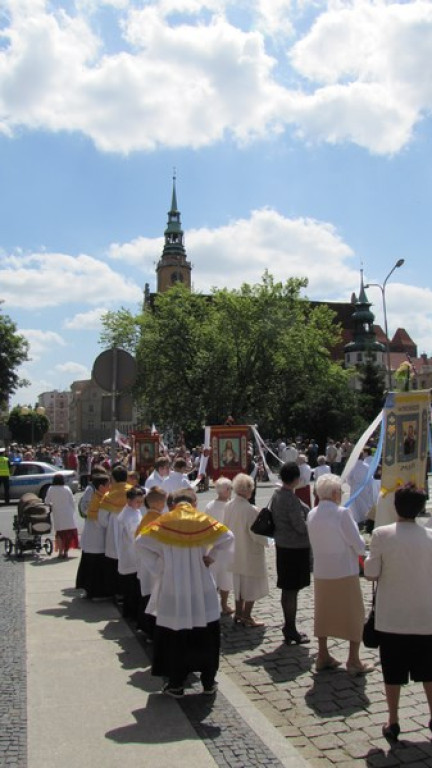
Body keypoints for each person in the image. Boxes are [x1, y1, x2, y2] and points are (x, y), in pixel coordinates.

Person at [136, 488, 234, 698]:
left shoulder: (163, 522)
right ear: (194, 503)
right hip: (201, 585)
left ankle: (176, 683)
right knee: (206, 633)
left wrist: (160, 565)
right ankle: (208, 683)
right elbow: (228, 537)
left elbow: (140, 543)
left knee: (176, 634)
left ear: (172, 504)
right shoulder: (203, 520)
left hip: (174, 586)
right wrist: (212, 555)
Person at [364, 484, 432, 743]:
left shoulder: (382, 534)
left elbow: (371, 573)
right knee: (429, 671)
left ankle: (393, 720)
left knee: (392, 672)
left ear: (395, 507)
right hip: (425, 615)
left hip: (392, 616)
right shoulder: (430, 537)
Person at [307, 473, 373, 675]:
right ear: (335, 493)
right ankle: (353, 660)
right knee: (353, 613)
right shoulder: (342, 513)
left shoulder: (312, 513)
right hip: (344, 570)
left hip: (322, 571)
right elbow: (359, 545)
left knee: (324, 613)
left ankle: (323, 655)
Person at [269, 462, 311, 645]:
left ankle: (289, 626)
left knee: (287, 589)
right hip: (294, 548)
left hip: (283, 546)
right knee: (292, 590)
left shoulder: (277, 494)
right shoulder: (290, 499)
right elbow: (300, 527)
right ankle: (291, 628)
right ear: (295, 479)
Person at [223, 473, 269, 627]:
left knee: (239, 586)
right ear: (248, 489)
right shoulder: (250, 510)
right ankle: (247, 616)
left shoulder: (229, 505)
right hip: (249, 553)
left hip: (235, 552)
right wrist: (267, 542)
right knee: (251, 586)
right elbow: (256, 533)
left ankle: (238, 613)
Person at [135, 486, 168, 639]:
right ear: (159, 503)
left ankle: (144, 626)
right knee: (153, 598)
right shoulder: (156, 520)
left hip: (145, 563)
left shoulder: (146, 517)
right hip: (153, 564)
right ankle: (151, 632)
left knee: (146, 595)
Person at [76, 471, 111, 598]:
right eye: (108, 484)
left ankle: (91, 591)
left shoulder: (98, 497)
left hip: (92, 538)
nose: (110, 487)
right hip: (97, 538)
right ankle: (95, 593)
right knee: (95, 570)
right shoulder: (99, 500)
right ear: (101, 487)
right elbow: (102, 521)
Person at [205, 476, 234, 615]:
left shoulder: (210, 505)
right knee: (225, 576)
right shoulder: (230, 505)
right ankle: (223, 604)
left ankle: (216, 604)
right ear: (226, 490)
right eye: (230, 489)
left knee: (216, 575)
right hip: (225, 545)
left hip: (213, 544)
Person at [117, 486, 144, 621]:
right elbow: (134, 534)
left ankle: (130, 611)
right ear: (129, 501)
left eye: (141, 501)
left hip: (130, 553)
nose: (139, 504)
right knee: (132, 587)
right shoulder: (129, 515)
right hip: (131, 553)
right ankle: (131, 612)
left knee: (131, 587)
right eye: (137, 501)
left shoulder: (133, 511)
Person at [45, 473, 79, 558]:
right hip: (68, 513)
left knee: (59, 533)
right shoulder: (66, 488)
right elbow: (72, 501)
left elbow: (47, 501)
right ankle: (66, 552)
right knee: (68, 534)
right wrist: (72, 511)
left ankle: (60, 552)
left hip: (58, 514)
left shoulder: (51, 489)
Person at [346, 451, 374, 527]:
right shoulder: (366, 466)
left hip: (355, 486)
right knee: (365, 501)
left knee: (355, 504)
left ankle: (357, 519)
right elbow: (370, 477)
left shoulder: (352, 466)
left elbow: (348, 478)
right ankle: (365, 517)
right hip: (364, 486)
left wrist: (352, 484)